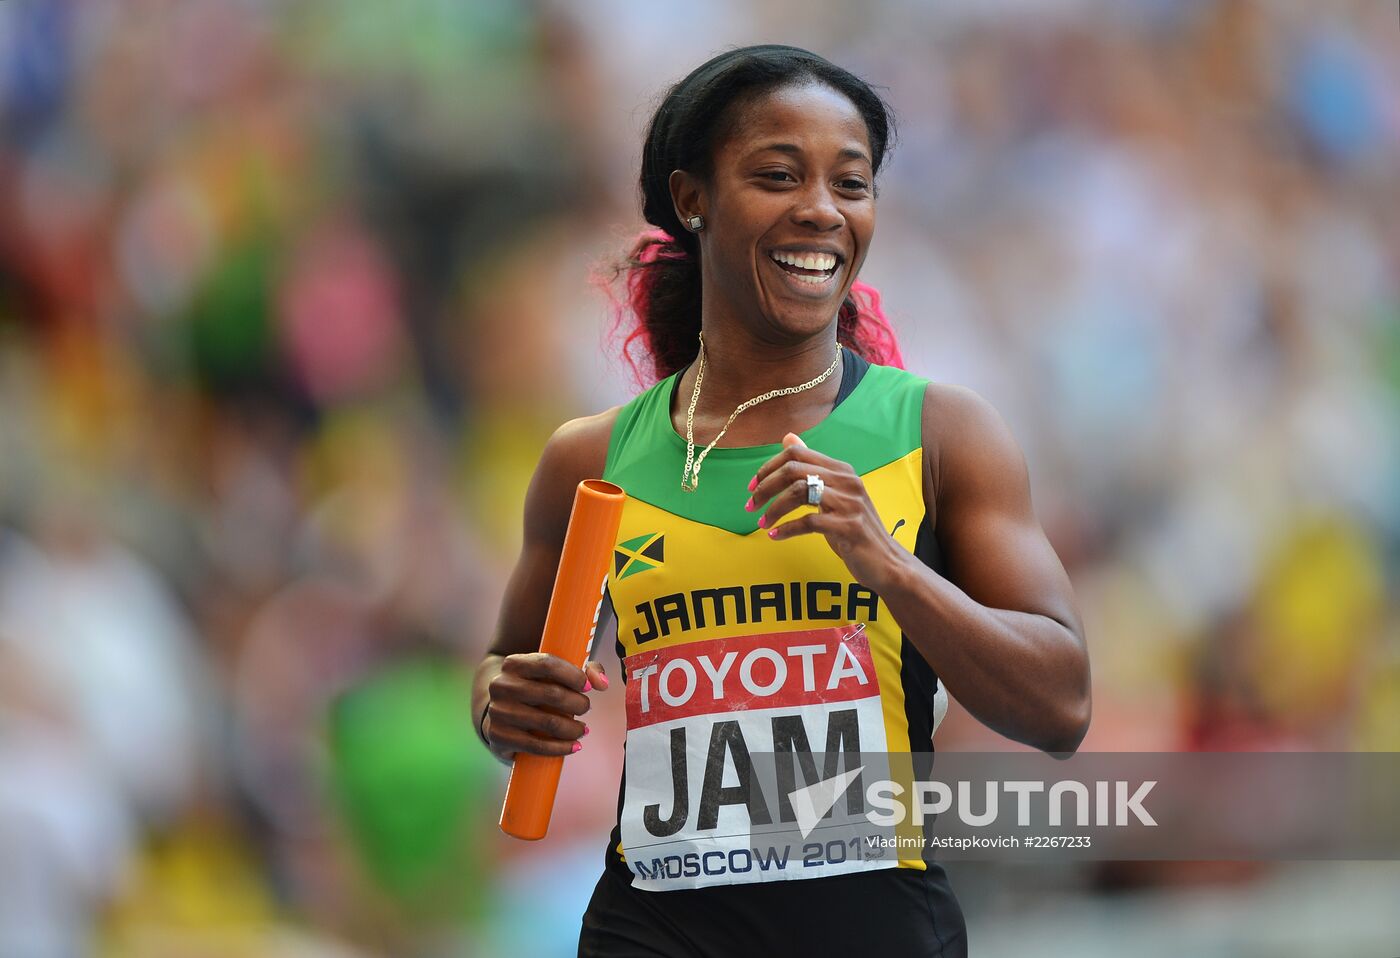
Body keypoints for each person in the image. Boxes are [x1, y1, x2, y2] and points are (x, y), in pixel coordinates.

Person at [472, 44, 1090, 958]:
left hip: (875, 928)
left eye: (852, 183)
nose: (821, 211)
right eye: (776, 175)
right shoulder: (590, 459)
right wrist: (500, 701)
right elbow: (505, 691)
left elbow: (1062, 706)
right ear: (691, 199)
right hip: (655, 928)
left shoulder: (940, 435)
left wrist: (888, 564)